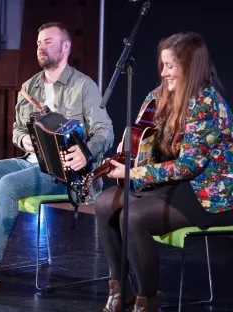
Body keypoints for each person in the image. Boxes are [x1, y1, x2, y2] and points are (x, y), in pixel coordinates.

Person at [0, 22, 114, 294]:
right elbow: (18, 129)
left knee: (8, 184)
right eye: (39, 42)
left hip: (64, 171)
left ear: (66, 47)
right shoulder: (30, 86)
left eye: (48, 41)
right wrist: (24, 139)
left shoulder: (83, 86)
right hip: (31, 160)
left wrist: (86, 152)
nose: (41, 46)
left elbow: (105, 130)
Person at [95, 32, 233, 312]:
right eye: (163, 65)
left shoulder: (206, 104)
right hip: (173, 183)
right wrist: (126, 154)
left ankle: (148, 301)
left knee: (132, 218)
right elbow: (142, 135)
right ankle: (120, 290)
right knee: (103, 203)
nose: (164, 72)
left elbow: (190, 165)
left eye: (171, 66)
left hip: (206, 193)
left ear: (190, 66)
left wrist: (135, 174)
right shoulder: (160, 95)